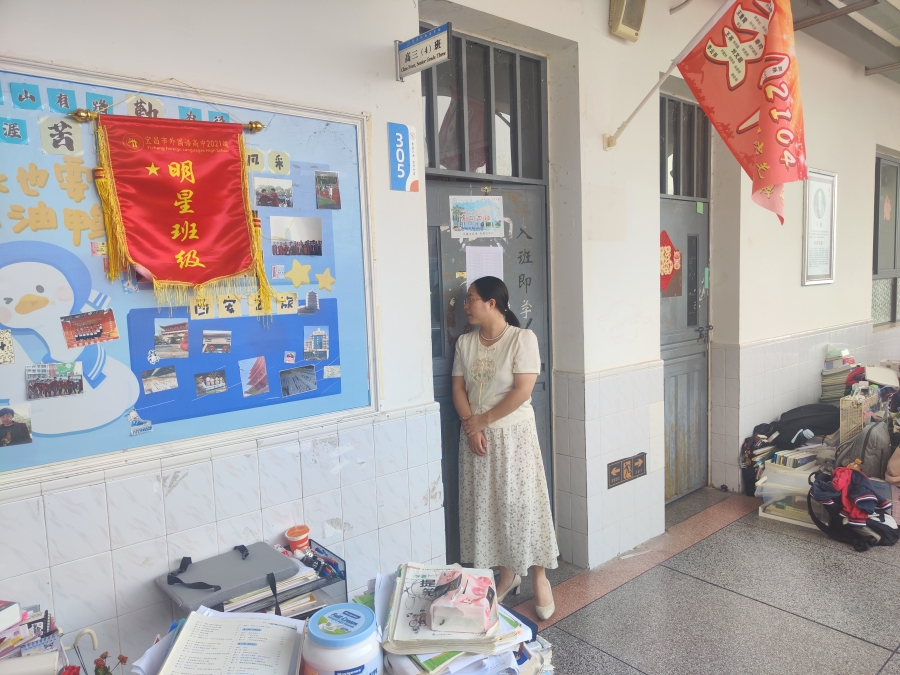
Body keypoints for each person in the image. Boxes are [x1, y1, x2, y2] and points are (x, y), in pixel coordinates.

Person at [451, 276, 558, 620]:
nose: (466, 305)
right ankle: (507, 575)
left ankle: (539, 575)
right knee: (489, 508)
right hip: (476, 437)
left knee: (524, 504)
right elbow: (458, 389)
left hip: (513, 437)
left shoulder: (522, 339)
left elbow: (523, 390)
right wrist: (471, 427)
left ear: (491, 303)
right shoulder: (465, 343)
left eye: (471, 299)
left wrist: (482, 421)